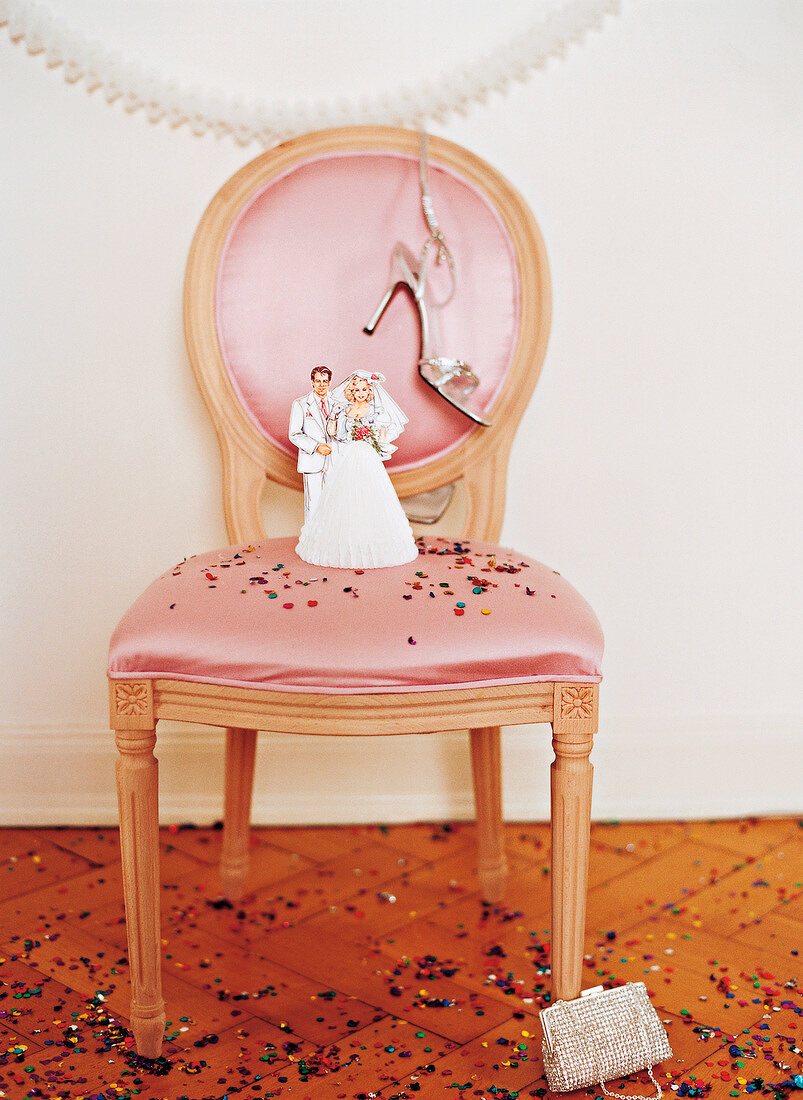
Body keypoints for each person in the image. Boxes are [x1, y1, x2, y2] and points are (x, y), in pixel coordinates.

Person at [295, 371, 418, 568]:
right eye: (357, 389)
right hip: (349, 454)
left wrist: (374, 435)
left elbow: (383, 434)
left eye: (364, 389)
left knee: (370, 493)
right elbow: (337, 434)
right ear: (352, 391)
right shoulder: (346, 410)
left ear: (369, 391)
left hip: (367, 455)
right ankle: (345, 543)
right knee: (344, 495)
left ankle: (370, 541)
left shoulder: (375, 411)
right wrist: (333, 421)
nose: (360, 393)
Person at [288, 366, 336, 520]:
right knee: (314, 504)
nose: (322, 385)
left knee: (333, 503)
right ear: (312, 382)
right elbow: (294, 434)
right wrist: (316, 447)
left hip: (334, 461)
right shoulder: (301, 404)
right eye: (318, 381)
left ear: (329, 383)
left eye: (325, 381)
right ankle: (312, 541)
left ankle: (331, 540)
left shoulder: (337, 402)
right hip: (313, 462)